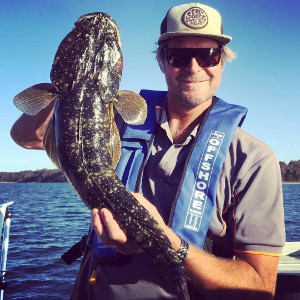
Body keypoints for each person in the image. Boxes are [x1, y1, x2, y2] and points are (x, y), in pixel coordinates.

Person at [11, 3, 285, 300]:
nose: (193, 67)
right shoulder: (115, 121)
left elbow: (260, 287)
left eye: (208, 55)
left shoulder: (253, 160)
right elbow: (27, 137)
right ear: (162, 61)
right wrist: (68, 87)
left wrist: (169, 243)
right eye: (178, 55)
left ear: (222, 61)